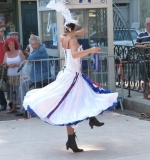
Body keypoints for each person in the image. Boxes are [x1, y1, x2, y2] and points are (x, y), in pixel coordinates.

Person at [23, 5, 118, 153]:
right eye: (76, 29)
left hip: (70, 73)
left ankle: (85, 124)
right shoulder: (72, 41)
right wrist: (91, 50)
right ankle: (77, 133)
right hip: (72, 76)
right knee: (73, 105)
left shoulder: (63, 37)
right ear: (72, 29)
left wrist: (77, 33)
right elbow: (74, 55)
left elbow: (67, 36)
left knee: (84, 96)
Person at [15, 35, 50, 117]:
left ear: (39, 43)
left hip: (41, 76)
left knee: (26, 88)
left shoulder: (41, 50)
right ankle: (25, 108)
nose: (34, 46)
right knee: (22, 86)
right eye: (32, 44)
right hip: (36, 76)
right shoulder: (36, 50)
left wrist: (28, 53)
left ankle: (27, 109)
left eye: (35, 44)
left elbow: (31, 58)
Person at [2, 37, 25, 113]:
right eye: (9, 44)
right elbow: (3, 65)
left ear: (15, 44)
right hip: (10, 75)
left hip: (18, 75)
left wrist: (18, 65)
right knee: (11, 92)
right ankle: (13, 107)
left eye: (12, 44)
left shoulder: (19, 52)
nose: (11, 46)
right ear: (7, 45)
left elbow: (24, 62)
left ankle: (19, 107)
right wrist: (8, 66)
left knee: (18, 91)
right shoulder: (6, 54)